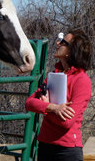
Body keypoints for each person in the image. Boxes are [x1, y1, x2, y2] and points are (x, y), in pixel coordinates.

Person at [25, 29, 93, 161]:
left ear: (71, 51)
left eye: (63, 42)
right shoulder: (55, 75)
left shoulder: (82, 80)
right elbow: (29, 103)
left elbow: (67, 122)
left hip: (67, 151)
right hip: (45, 145)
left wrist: (44, 108)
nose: (57, 43)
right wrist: (53, 107)